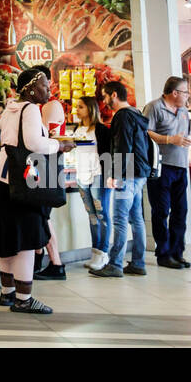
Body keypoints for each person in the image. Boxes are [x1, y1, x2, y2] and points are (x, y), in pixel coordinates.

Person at [0, 66, 72, 314]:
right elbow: (33, 143)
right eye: (44, 84)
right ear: (31, 88)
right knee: (25, 238)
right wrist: (60, 145)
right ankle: (24, 298)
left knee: (6, 236)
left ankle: (7, 293)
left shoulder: (10, 108)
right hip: (17, 178)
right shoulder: (30, 109)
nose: (48, 88)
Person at [90, 81, 151, 278]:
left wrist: (115, 175)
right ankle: (138, 263)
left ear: (114, 94)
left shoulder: (123, 116)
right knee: (136, 218)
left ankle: (115, 264)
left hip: (128, 174)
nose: (104, 101)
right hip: (140, 172)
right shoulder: (136, 114)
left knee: (120, 219)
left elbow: (122, 147)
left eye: (105, 96)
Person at [144, 76, 191, 269]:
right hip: (160, 167)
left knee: (181, 211)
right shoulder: (154, 107)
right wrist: (169, 140)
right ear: (174, 93)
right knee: (161, 211)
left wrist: (189, 140)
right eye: (185, 92)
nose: (187, 96)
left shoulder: (184, 111)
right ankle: (163, 254)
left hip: (181, 166)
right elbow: (146, 132)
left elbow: (184, 134)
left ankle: (177, 252)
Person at [71, 96, 111, 270]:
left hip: (98, 175)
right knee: (92, 216)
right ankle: (95, 251)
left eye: (80, 107)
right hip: (81, 176)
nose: (77, 110)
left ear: (90, 108)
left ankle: (103, 253)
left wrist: (110, 177)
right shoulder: (77, 129)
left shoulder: (101, 129)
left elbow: (108, 155)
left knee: (102, 215)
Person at [35, 87, 68, 280]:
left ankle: (57, 264)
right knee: (40, 214)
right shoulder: (48, 106)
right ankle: (39, 258)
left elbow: (48, 137)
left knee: (43, 216)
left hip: (48, 165)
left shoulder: (51, 106)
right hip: (50, 164)